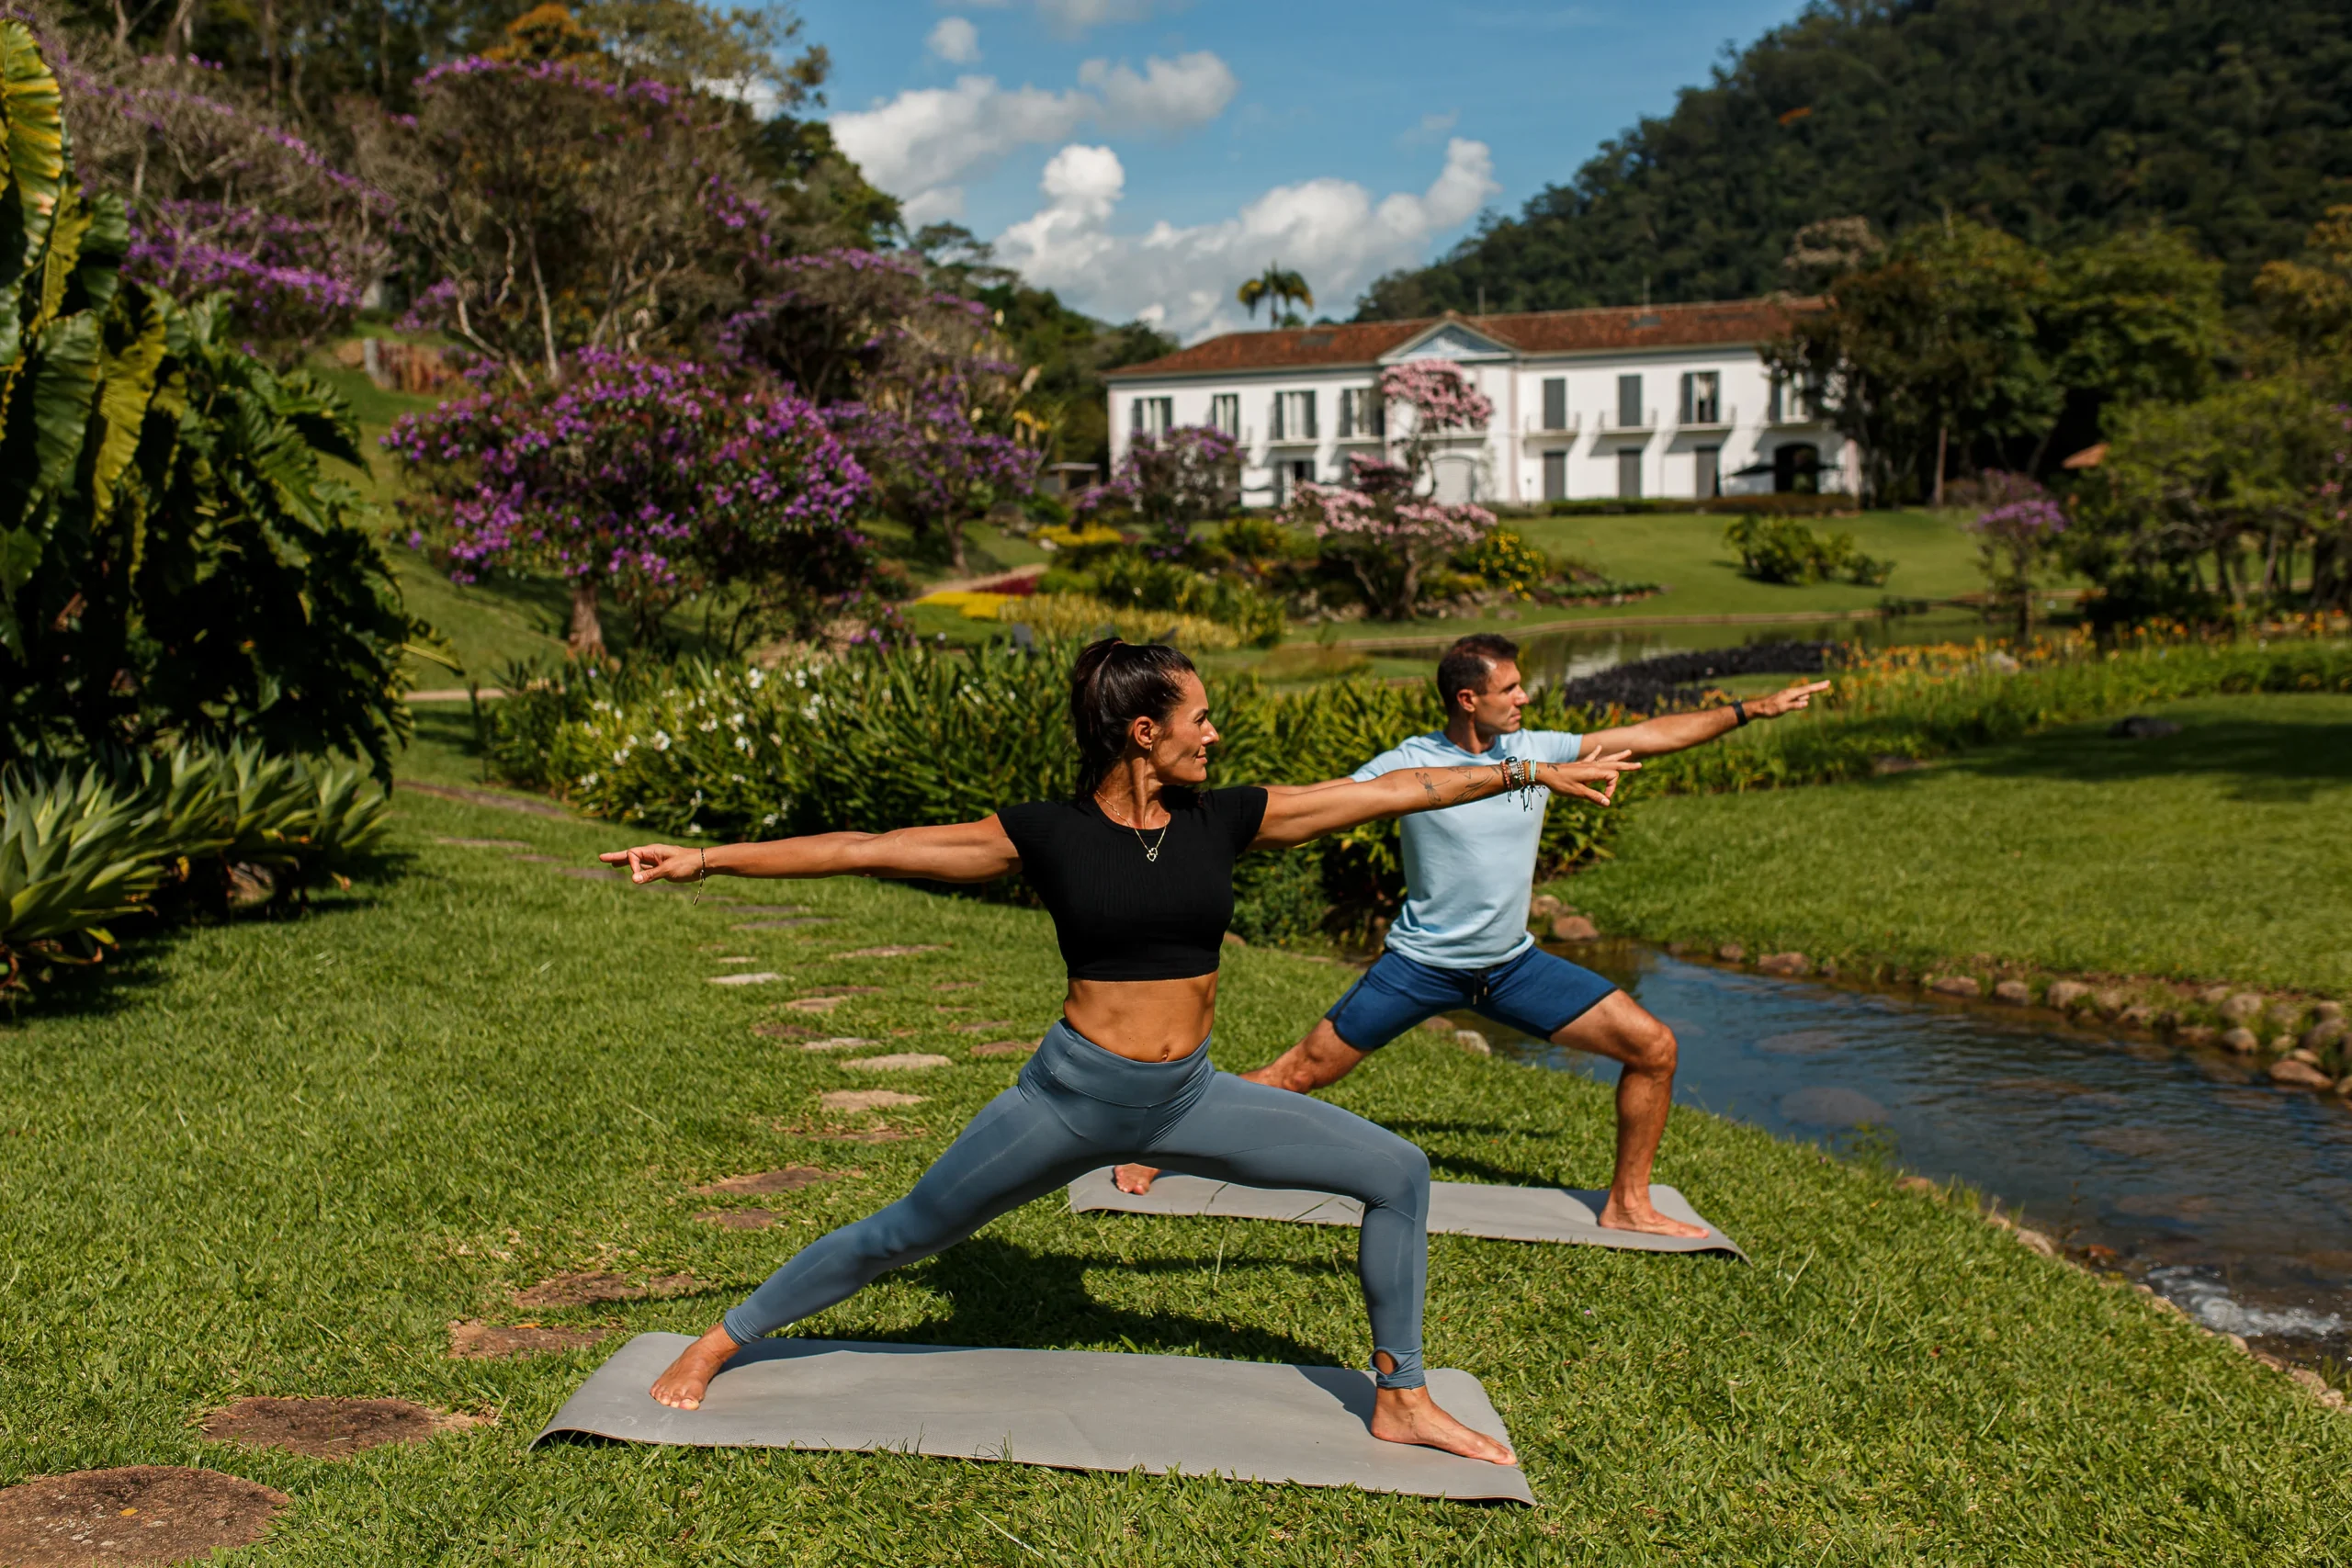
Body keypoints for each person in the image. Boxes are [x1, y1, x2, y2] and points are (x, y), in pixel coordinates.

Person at [598, 638, 1640, 1464]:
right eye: (1198, 719)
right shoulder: (1044, 833)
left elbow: (1391, 794)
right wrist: (707, 858)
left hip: (1188, 1098)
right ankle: (723, 1339)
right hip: (1069, 1100)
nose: (1215, 735)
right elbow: (862, 847)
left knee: (1397, 1171)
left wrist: (1526, 768)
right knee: (904, 1235)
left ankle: (1401, 1398)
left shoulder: (1220, 819)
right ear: (1143, 732)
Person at [1116, 633, 1829, 1239]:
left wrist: (1752, 708)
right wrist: (1203, 828)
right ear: (1469, 699)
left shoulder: (1540, 748)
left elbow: (1652, 735)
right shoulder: (1408, 763)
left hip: (1513, 966)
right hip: (1421, 965)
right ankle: (1161, 1143)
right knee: (1301, 1071)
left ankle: (1628, 1202)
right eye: (1511, 690)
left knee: (1654, 1047)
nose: (1523, 700)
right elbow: (1330, 804)